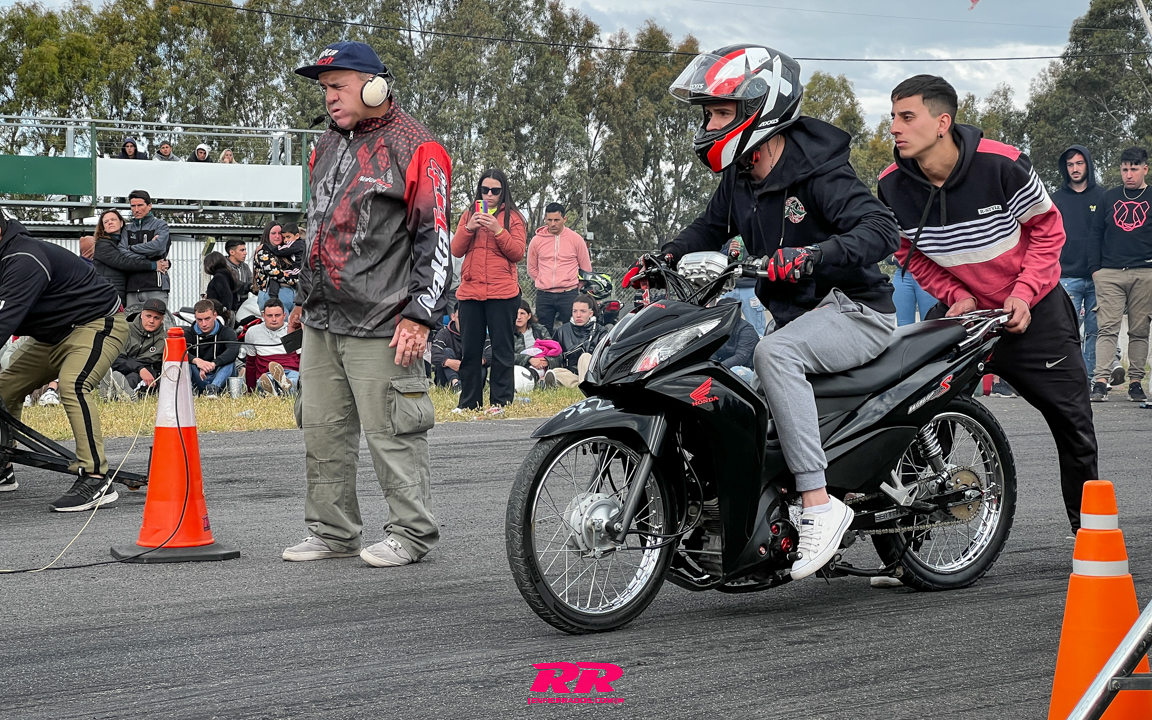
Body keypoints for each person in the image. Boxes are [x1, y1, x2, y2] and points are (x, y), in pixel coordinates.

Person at [660, 45, 899, 581]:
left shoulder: (820, 173)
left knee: (773, 354)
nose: (709, 125)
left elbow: (883, 230)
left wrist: (815, 255)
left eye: (720, 113)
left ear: (759, 110)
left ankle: (818, 504)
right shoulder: (741, 175)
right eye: (708, 114)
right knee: (731, 390)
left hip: (856, 311)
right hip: (797, 319)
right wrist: (665, 256)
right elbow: (708, 228)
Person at [879, 74, 1097, 532]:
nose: (894, 127)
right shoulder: (891, 185)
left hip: (1034, 312)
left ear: (942, 122)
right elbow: (909, 254)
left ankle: (1090, 537)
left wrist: (1024, 293)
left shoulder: (1004, 164)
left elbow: (1049, 231)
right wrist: (956, 295)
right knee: (918, 417)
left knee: (1074, 426)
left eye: (906, 116)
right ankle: (908, 547)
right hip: (964, 316)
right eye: (892, 116)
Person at [283, 41, 451, 568]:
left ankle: (412, 533)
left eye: (338, 86)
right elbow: (318, 227)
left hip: (385, 322)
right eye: (324, 89)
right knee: (322, 431)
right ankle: (332, 531)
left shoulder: (419, 147)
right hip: (322, 319)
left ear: (375, 86)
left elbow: (435, 240)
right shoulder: (326, 144)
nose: (329, 97)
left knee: (394, 433)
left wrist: (420, 316)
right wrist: (302, 299)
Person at [0, 212, 128, 511]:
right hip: (51, 336)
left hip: (96, 323)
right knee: (4, 389)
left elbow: (3, 321)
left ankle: (96, 478)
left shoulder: (23, 259)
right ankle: (3, 466)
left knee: (73, 385)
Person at [450, 168, 526, 413]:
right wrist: (469, 227)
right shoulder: (468, 214)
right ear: (479, 190)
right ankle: (469, 403)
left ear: (503, 191)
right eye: (485, 189)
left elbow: (517, 253)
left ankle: (500, 403)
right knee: (470, 351)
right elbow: (456, 250)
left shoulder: (513, 217)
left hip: (503, 294)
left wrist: (498, 230)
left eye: (495, 190)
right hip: (470, 292)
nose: (490, 194)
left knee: (502, 350)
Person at [1088, 146, 1152, 403]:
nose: (1129, 174)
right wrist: (1095, 270)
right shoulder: (1109, 197)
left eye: (1134, 169)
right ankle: (1101, 382)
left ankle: (1136, 382)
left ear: (1145, 169)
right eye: (1125, 169)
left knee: (1139, 330)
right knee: (1106, 329)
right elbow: (1095, 234)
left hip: (1144, 272)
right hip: (1110, 273)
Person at [1052, 145, 1107, 387]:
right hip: (1066, 276)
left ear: (1088, 165)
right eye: (1070, 164)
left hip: (1098, 277)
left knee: (1096, 331)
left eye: (1079, 163)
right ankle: (1068, 379)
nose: (1074, 169)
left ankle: (1091, 379)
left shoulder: (1104, 197)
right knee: (1066, 332)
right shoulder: (1055, 200)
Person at [527, 202, 592, 331]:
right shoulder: (536, 241)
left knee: (573, 331)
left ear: (564, 219)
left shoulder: (576, 239)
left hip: (569, 294)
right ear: (545, 219)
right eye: (549, 220)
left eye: (556, 220)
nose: (553, 224)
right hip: (544, 295)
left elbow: (586, 269)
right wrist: (542, 280)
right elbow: (532, 268)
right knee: (543, 332)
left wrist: (575, 285)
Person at [91, 209, 170, 305]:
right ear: (103, 227)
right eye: (106, 222)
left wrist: (158, 255)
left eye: (113, 219)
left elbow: (132, 258)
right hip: (106, 293)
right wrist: (153, 264)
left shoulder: (123, 242)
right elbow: (124, 262)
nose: (110, 222)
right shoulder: (103, 244)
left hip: (121, 292)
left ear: (121, 223)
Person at [102, 299, 166, 401]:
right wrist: (139, 368)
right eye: (148, 316)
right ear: (142, 314)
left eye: (156, 318)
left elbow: (180, 356)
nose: (151, 321)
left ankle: (118, 395)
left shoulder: (165, 339)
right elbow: (115, 358)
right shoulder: (125, 330)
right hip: (123, 366)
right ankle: (112, 389)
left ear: (162, 319)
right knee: (113, 370)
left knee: (134, 378)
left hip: (148, 373)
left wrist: (194, 359)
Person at [544, 294, 608, 389]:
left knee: (585, 356)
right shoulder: (561, 331)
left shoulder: (601, 331)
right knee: (555, 372)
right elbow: (555, 356)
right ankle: (580, 385)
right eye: (575, 311)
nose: (578, 315)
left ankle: (583, 385)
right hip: (570, 373)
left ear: (591, 313)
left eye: (583, 311)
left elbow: (604, 359)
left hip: (593, 373)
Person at [123, 190, 172, 311]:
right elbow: (123, 254)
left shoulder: (160, 225)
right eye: (133, 206)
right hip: (132, 289)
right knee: (132, 323)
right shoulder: (127, 229)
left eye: (140, 205)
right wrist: (150, 257)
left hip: (156, 287)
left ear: (149, 206)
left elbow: (159, 247)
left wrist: (131, 248)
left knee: (158, 321)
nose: (136, 209)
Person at [240, 298, 299, 395]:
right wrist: (250, 389)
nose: (274, 319)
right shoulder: (252, 332)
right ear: (263, 316)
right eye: (270, 316)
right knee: (262, 382)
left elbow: (302, 359)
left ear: (284, 315)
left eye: (277, 315)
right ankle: (282, 389)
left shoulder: (293, 329)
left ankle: (280, 389)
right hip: (267, 373)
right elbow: (251, 363)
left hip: (291, 371)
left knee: (295, 382)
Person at [183, 299, 239, 397]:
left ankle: (213, 389)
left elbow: (233, 350)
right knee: (185, 361)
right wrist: (197, 361)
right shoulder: (188, 334)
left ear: (215, 315)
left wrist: (213, 364)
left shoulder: (227, 332)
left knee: (230, 361)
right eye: (199, 320)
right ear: (195, 318)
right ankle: (189, 392)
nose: (204, 324)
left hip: (220, 377)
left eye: (207, 318)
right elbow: (178, 352)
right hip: (198, 377)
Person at [430, 307, 490, 391]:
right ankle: (456, 384)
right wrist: (448, 362)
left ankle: (468, 387)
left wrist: (476, 362)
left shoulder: (481, 333)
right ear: (453, 317)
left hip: (472, 372)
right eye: (460, 317)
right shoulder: (443, 333)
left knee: (479, 357)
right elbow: (433, 354)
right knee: (447, 352)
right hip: (447, 379)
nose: (463, 321)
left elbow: (491, 352)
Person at [723, 236, 767, 335]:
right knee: (722, 329)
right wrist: (727, 252)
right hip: (727, 287)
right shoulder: (725, 232)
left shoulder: (755, 233)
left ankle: (758, 345)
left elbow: (765, 255)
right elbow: (714, 255)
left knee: (757, 330)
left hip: (750, 287)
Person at [711, 298, 758, 383]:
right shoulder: (719, 328)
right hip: (724, 366)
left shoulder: (746, 330)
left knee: (735, 371)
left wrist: (718, 368)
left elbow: (741, 357)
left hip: (747, 369)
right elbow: (713, 352)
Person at [514, 299, 552, 383]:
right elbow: (504, 355)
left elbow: (555, 351)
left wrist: (547, 361)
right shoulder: (507, 333)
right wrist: (529, 359)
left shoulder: (540, 330)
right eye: (516, 313)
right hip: (517, 368)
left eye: (522, 313)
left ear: (529, 316)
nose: (519, 317)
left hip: (541, 366)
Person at [203, 251, 241, 324]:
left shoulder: (219, 277)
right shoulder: (228, 275)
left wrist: (225, 310)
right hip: (231, 312)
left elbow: (226, 294)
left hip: (221, 314)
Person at [224, 239, 253, 305]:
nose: (245, 253)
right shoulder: (224, 267)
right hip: (228, 304)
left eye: (245, 250)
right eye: (242, 250)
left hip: (243, 303)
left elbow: (251, 281)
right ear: (232, 252)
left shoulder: (245, 267)